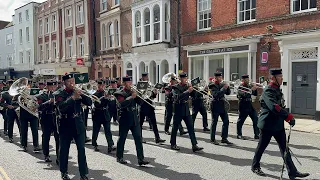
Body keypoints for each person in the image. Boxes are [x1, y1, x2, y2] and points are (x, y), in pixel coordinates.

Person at [251, 68, 309, 179]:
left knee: (285, 149)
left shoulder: (277, 89)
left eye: (281, 76)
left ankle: (292, 172)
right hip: (267, 124)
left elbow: (280, 105)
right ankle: (255, 166)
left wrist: (286, 117)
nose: (282, 78)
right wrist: (288, 116)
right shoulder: (268, 90)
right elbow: (274, 107)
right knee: (261, 147)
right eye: (279, 77)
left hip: (277, 125)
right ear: (273, 78)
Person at [54, 73, 92, 180]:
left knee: (81, 149)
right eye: (69, 81)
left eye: (73, 81)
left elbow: (89, 102)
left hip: (78, 124)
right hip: (65, 124)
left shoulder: (78, 91)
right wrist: (73, 97)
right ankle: (64, 172)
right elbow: (61, 108)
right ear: (64, 83)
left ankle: (83, 173)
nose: (72, 83)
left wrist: (83, 94)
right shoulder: (59, 94)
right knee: (64, 150)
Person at [114, 76, 149, 166]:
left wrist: (139, 95)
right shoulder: (119, 93)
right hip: (125, 118)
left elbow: (140, 103)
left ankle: (141, 159)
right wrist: (131, 97)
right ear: (124, 83)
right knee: (122, 138)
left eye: (131, 82)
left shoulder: (133, 92)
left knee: (138, 139)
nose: (130, 84)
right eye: (128, 82)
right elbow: (122, 104)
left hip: (134, 118)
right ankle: (119, 157)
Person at [170, 72, 203, 152]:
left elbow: (194, 96)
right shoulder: (175, 87)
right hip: (178, 108)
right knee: (175, 127)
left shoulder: (187, 86)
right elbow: (177, 97)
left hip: (186, 108)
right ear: (180, 79)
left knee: (191, 127)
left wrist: (196, 90)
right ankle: (173, 144)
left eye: (186, 78)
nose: (186, 80)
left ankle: (194, 145)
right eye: (184, 78)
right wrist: (188, 91)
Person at [37, 80, 59, 164]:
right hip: (46, 118)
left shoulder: (59, 94)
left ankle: (59, 156)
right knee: (46, 137)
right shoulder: (41, 96)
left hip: (56, 118)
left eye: (54, 86)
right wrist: (49, 102)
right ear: (48, 87)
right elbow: (39, 107)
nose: (53, 88)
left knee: (58, 138)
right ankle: (46, 155)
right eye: (51, 87)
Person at [139, 72, 165, 144]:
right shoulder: (141, 84)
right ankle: (140, 137)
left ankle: (157, 138)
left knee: (154, 122)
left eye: (147, 77)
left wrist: (155, 92)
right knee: (140, 123)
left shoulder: (150, 83)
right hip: (143, 105)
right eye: (146, 77)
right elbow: (142, 95)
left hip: (150, 105)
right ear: (143, 77)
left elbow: (152, 96)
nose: (148, 78)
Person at [91, 79, 116, 153]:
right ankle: (94, 144)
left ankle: (110, 145)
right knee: (96, 130)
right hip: (97, 114)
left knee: (108, 131)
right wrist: (104, 98)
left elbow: (110, 103)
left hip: (105, 113)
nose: (101, 86)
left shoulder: (106, 93)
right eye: (100, 85)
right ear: (98, 86)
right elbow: (97, 104)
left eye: (103, 85)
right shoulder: (94, 94)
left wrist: (109, 98)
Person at [209, 72, 232, 145]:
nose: (221, 78)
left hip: (222, 105)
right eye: (219, 77)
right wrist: (223, 88)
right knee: (214, 122)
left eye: (221, 77)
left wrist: (227, 87)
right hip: (215, 105)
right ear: (215, 78)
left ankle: (224, 138)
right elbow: (216, 95)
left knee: (226, 121)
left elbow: (228, 93)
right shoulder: (212, 85)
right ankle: (212, 139)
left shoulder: (222, 84)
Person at [236, 74, 259, 140]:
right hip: (243, 104)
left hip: (250, 104)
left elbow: (255, 94)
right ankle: (239, 134)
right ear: (242, 80)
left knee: (255, 119)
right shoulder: (240, 86)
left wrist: (255, 89)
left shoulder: (249, 86)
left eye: (248, 79)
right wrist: (251, 89)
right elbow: (244, 94)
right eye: (246, 79)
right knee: (241, 120)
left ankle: (257, 134)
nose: (248, 81)